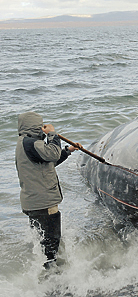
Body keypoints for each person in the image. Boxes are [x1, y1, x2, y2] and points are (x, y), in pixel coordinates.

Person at [15, 112, 82, 268]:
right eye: (40, 125)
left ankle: (45, 275)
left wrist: (68, 150)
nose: (42, 129)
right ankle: (54, 279)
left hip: (33, 203)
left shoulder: (24, 144)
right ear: (34, 126)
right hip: (44, 203)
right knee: (51, 243)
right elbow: (52, 154)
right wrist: (52, 133)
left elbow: (48, 162)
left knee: (43, 243)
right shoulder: (31, 143)